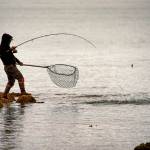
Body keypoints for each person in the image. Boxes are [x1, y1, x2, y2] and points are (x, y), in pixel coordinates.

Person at [0, 33, 29, 99]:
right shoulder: (1, 48)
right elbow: (4, 53)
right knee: (20, 78)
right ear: (6, 40)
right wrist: (11, 50)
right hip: (10, 67)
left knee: (11, 82)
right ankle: (23, 92)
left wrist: (19, 62)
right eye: (10, 40)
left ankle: (4, 95)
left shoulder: (6, 47)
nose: (10, 41)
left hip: (8, 67)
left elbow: (12, 56)